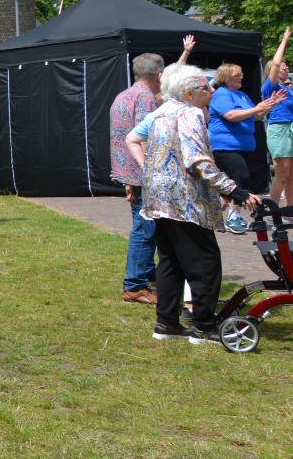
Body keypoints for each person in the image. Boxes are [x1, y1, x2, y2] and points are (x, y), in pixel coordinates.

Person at [128, 63, 261, 343]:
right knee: (205, 264)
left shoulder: (161, 112)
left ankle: (166, 324)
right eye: (204, 86)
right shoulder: (190, 114)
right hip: (185, 202)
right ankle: (203, 326)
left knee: (171, 263)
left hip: (160, 200)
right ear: (189, 93)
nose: (211, 89)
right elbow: (197, 160)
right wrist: (234, 190)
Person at [109, 52, 168, 304]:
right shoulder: (145, 98)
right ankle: (135, 286)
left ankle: (146, 273)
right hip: (143, 174)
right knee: (145, 229)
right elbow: (144, 138)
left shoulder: (123, 95)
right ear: (159, 75)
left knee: (144, 227)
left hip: (130, 173)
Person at [209, 62, 284, 215]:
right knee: (241, 177)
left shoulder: (242, 95)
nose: (241, 77)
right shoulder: (222, 94)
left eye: (241, 74)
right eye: (237, 75)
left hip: (243, 146)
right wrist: (256, 108)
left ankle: (222, 207)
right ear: (227, 77)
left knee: (234, 181)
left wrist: (271, 105)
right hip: (226, 146)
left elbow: (256, 115)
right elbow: (230, 115)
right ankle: (233, 213)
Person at [264, 28, 293, 208]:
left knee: (291, 176)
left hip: (290, 128)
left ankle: (290, 210)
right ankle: (271, 210)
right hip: (280, 129)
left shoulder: (288, 89)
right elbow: (275, 64)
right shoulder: (271, 86)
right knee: (281, 174)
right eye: (284, 66)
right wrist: (284, 41)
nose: (286, 67)